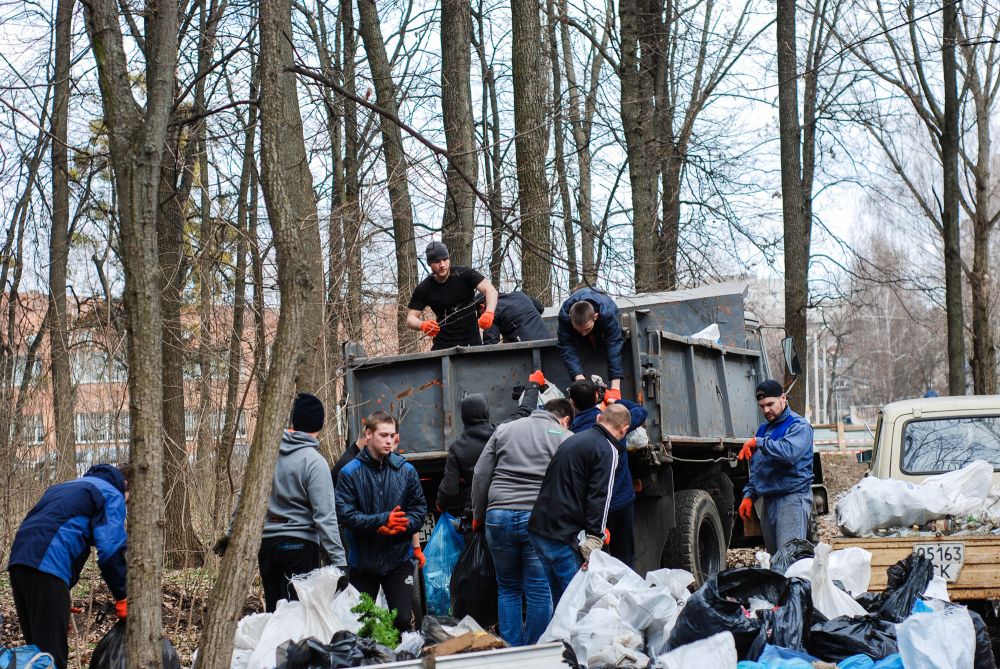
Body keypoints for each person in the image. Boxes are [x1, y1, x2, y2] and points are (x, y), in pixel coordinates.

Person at [470, 397, 575, 646]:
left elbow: (480, 474)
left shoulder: (504, 429)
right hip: (538, 520)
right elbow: (571, 484)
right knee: (538, 588)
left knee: (508, 587)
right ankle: (535, 653)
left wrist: (478, 514)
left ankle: (511, 651)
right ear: (565, 419)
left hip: (499, 516)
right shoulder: (564, 437)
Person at [7, 463, 129, 668]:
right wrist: (123, 595)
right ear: (124, 485)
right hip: (46, 569)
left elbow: (60, 534)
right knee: (49, 658)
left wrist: (61, 594)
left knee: (36, 656)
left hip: (19, 564)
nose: (126, 508)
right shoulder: (110, 492)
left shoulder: (65, 488)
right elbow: (110, 551)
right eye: (129, 500)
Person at [527, 405, 631, 604]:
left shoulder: (573, 439)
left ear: (599, 417)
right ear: (624, 429)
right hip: (563, 535)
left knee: (558, 602)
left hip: (539, 528)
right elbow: (600, 496)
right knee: (576, 604)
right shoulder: (607, 449)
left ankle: (556, 635)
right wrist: (595, 538)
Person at [337, 412, 427, 632]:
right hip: (363, 563)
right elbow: (346, 516)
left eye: (392, 435)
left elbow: (419, 509)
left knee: (403, 621)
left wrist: (401, 525)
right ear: (368, 435)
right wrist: (381, 521)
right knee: (364, 626)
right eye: (383, 435)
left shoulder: (406, 471)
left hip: (398, 560)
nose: (389, 441)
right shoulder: (349, 473)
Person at [259, 393, 348, 612]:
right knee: (300, 613)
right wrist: (340, 562)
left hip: (267, 544)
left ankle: (273, 647)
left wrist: (231, 534)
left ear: (294, 420)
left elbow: (246, 498)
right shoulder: (314, 462)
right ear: (320, 424)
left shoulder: (267, 456)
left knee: (274, 613)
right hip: (300, 545)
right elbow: (325, 517)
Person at [435, 371, 544, 517]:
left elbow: (450, 488)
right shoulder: (501, 431)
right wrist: (533, 385)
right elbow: (525, 411)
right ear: (486, 411)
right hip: (503, 508)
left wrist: (440, 504)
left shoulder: (457, 448)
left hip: (474, 513)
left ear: (463, 417)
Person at [567, 379, 648, 568]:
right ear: (597, 396)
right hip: (621, 503)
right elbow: (640, 411)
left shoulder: (572, 432)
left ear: (572, 402)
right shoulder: (613, 423)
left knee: (595, 561)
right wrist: (613, 400)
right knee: (625, 557)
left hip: (592, 510)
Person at [737, 380, 815, 555]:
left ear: (783, 398)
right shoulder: (763, 430)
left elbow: (789, 453)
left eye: (770, 404)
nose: (766, 410)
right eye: (762, 406)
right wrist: (749, 495)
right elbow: (758, 469)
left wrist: (759, 442)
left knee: (789, 561)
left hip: (792, 500)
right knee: (776, 561)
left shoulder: (798, 426)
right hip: (769, 502)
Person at [406, 241, 498, 349]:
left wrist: (489, 312)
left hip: (472, 344)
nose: (442, 265)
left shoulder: (464, 274)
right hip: (442, 346)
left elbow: (490, 290)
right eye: (437, 261)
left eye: (445, 259)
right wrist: (422, 325)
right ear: (429, 263)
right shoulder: (424, 288)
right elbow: (410, 319)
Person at [556, 288, 625, 400]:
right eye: (579, 330)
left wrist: (615, 389)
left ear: (596, 317)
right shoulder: (564, 316)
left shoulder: (607, 313)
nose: (583, 334)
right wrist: (580, 381)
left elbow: (614, 346)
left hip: (605, 313)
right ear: (570, 320)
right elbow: (566, 346)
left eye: (587, 329)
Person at [480, 291, 551, 345]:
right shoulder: (519, 295)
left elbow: (491, 343)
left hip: (526, 349)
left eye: (480, 315)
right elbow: (540, 308)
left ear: (482, 306)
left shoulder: (491, 314)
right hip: (547, 341)